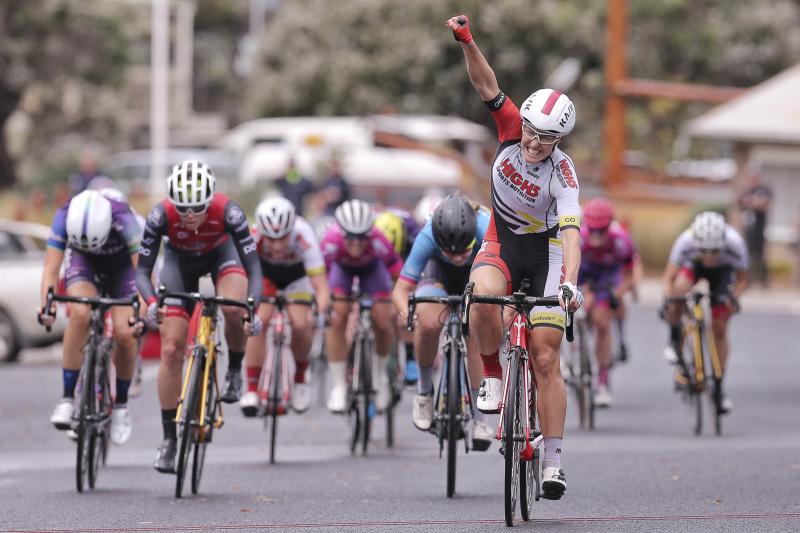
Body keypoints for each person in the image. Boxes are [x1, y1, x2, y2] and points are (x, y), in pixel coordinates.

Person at [447, 14, 582, 499]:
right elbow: (486, 82)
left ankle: (553, 461)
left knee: (546, 357)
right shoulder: (510, 126)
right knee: (481, 297)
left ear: (558, 141)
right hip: (502, 243)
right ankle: (494, 377)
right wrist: (467, 40)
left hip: (545, 258)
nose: (531, 141)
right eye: (528, 130)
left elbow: (570, 235)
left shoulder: (563, 176)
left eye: (543, 138)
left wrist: (570, 282)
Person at [136, 160, 263, 473]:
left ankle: (234, 368)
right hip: (180, 263)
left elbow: (254, 268)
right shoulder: (159, 215)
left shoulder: (229, 213)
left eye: (198, 208)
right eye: (183, 209)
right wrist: (152, 302)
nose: (190, 216)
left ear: (211, 201)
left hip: (223, 254)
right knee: (170, 348)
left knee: (234, 307)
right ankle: (169, 439)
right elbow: (142, 270)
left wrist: (252, 309)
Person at [391, 193, 494, 449]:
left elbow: (505, 277)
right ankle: (424, 393)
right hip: (437, 276)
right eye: (450, 252)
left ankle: (481, 418)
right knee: (427, 324)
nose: (458, 257)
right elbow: (400, 290)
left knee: (476, 332)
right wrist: (406, 311)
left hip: (477, 273)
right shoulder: (427, 235)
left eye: (464, 250)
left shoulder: (487, 227)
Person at [39, 189, 142, 445]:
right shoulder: (64, 216)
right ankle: (66, 398)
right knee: (80, 312)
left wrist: (140, 310)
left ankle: (120, 406)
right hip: (83, 261)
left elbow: (142, 271)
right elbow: (51, 270)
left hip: (122, 269)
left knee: (125, 332)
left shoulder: (124, 219)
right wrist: (47, 308)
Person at [240, 196, 331, 415]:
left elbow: (321, 286)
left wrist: (319, 313)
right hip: (266, 274)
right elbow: (244, 280)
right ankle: (252, 388)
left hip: (297, 277)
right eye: (271, 239)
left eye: (283, 238)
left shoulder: (303, 235)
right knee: (258, 321)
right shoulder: (253, 237)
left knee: (301, 324)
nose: (278, 245)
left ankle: (300, 379)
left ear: (291, 229)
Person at [320, 199, 403, 413]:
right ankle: (339, 385)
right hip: (341, 271)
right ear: (341, 232)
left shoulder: (379, 242)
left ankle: (381, 375)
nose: (356, 244)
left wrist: (397, 301)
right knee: (337, 317)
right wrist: (326, 301)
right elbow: (320, 277)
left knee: (382, 320)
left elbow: (400, 275)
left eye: (361, 238)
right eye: (350, 238)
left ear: (370, 233)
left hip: (373, 271)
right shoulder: (330, 242)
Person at [661, 211, 748, 413]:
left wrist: (733, 297)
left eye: (714, 251)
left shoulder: (735, 243)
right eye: (704, 250)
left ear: (722, 243)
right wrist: (671, 301)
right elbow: (668, 279)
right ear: (696, 242)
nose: (709, 257)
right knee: (679, 290)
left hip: (723, 273)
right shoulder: (685, 241)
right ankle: (674, 338)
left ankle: (718, 386)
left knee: (720, 326)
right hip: (693, 266)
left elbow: (743, 278)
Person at [578, 198, 637, 407]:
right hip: (583, 274)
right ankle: (576, 351)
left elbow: (630, 274)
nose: (596, 236)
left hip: (608, 277)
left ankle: (602, 383)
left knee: (602, 322)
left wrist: (619, 292)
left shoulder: (621, 239)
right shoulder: (579, 237)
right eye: (592, 230)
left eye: (601, 231)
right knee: (577, 309)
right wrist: (582, 290)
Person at [375, 206, 421, 384]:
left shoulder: (412, 231)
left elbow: (416, 271)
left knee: (407, 303)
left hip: (406, 259)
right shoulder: (372, 230)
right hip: (378, 263)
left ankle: (410, 356)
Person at [737, 174, 772, 287]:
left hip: (759, 229)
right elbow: (739, 201)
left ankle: (764, 279)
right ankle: (748, 278)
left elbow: (766, 204)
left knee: (760, 255)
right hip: (749, 229)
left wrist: (753, 202)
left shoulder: (764, 190)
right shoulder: (748, 190)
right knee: (747, 254)